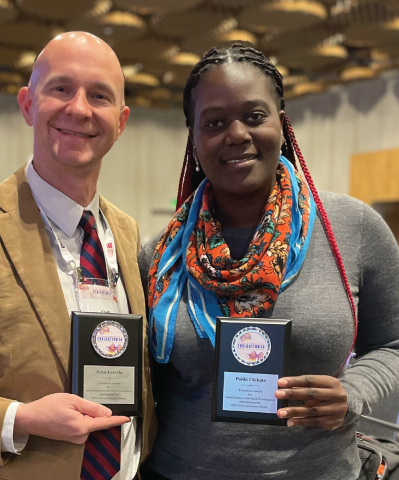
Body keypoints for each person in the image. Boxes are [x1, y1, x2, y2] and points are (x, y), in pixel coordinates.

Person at [138, 43, 399, 480]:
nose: (236, 133)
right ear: (194, 136)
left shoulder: (352, 228)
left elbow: (394, 343)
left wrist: (353, 393)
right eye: (215, 122)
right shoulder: (162, 254)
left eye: (254, 116)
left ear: (282, 122)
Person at [0, 32, 155, 480]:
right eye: (61, 88)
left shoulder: (125, 233)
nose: (80, 109)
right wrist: (18, 419)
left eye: (99, 95)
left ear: (121, 121)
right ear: (28, 104)